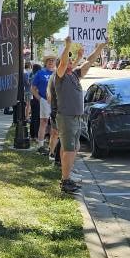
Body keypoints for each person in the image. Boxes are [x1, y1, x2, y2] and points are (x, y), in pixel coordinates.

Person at [55, 37, 106, 194]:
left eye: (71, 61)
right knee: (70, 149)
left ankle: (66, 175)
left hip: (76, 117)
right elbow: (63, 63)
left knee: (72, 147)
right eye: (68, 61)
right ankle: (65, 180)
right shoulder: (60, 76)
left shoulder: (75, 75)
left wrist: (99, 48)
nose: (70, 63)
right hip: (67, 117)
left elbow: (89, 62)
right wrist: (68, 45)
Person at [31, 54, 56, 149]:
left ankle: (52, 146)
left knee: (55, 124)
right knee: (44, 122)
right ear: (46, 62)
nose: (50, 62)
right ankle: (40, 145)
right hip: (45, 101)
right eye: (49, 60)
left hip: (56, 102)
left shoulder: (58, 73)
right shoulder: (40, 73)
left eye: (52, 60)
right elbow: (33, 88)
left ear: (55, 62)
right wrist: (40, 99)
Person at [28, 63, 41, 141]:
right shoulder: (37, 76)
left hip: (32, 98)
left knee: (33, 117)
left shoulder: (31, 75)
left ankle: (32, 134)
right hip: (37, 98)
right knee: (37, 118)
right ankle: (36, 135)